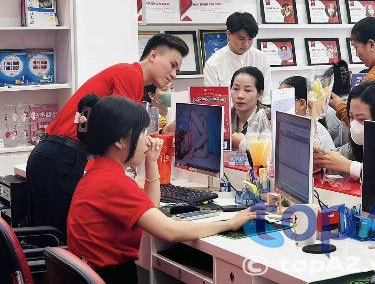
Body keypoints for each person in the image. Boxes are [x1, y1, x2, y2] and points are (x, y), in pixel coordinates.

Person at [67, 95, 256, 284]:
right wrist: (229, 223)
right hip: (112, 276)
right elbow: (170, 231)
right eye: (141, 133)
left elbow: (151, 208)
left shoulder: (98, 169)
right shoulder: (113, 182)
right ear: (120, 141)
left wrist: (151, 161)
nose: (147, 139)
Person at [26, 34, 189, 237]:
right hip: (62, 158)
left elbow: (120, 136)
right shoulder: (130, 75)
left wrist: (162, 133)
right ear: (154, 55)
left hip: (52, 155)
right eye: (172, 65)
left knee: (49, 242)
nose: (174, 74)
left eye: (178, 70)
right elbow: (123, 135)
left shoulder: (130, 76)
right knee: (59, 244)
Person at [314, 80, 375, 179]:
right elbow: (336, 159)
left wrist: (351, 167)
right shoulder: (358, 145)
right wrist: (319, 160)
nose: (353, 124)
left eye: (361, 119)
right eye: (351, 117)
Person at [203, 12, 271, 102]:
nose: (246, 44)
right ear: (228, 34)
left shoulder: (261, 58)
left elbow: (266, 95)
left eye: (250, 39)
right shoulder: (213, 64)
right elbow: (213, 101)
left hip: (257, 113)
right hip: (228, 114)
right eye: (241, 39)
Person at [279, 76, 336, 151]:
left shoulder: (314, 131)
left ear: (302, 103)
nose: (278, 105)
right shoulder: (290, 124)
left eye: (282, 100)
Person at [229, 66, 270, 150]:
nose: (240, 95)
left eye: (247, 90)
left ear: (260, 94)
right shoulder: (224, 117)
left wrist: (241, 144)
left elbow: (269, 156)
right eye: (236, 89)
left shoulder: (268, 118)